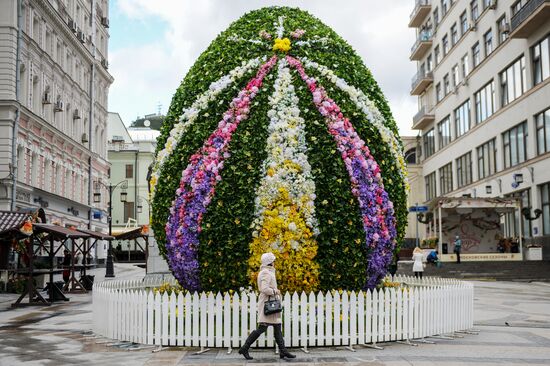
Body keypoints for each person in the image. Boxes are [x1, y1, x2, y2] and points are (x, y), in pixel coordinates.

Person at [239, 253, 296, 360]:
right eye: (273, 261)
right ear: (270, 262)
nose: (275, 263)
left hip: (270, 304)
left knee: (277, 327)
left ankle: (283, 351)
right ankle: (245, 348)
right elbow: (264, 289)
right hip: (268, 304)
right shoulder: (266, 273)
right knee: (262, 328)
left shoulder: (267, 272)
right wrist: (275, 291)